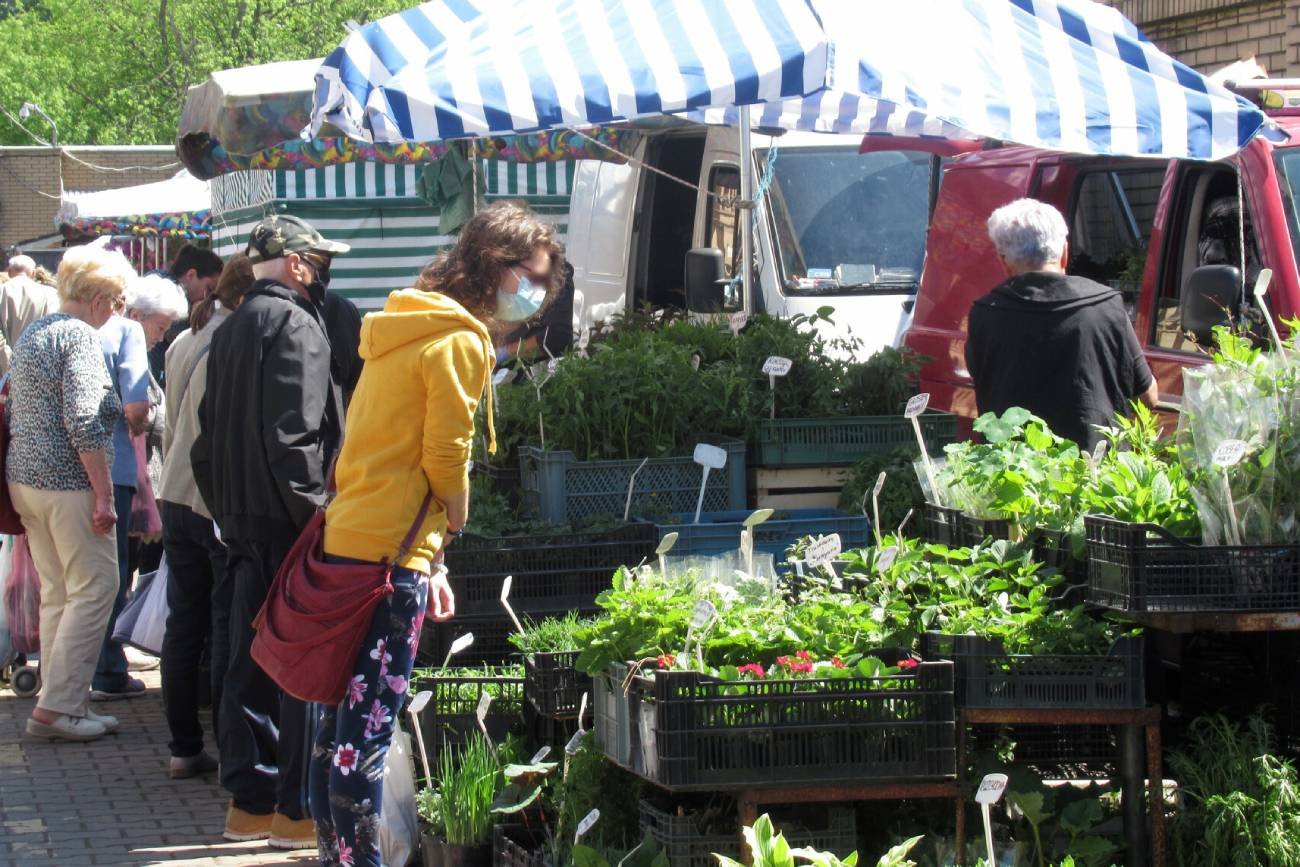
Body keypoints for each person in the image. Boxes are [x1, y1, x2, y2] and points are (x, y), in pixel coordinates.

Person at [311, 201, 563, 867]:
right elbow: (443, 458)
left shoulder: (404, 325)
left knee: (335, 730)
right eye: (530, 275)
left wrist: (436, 559)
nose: (534, 292)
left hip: (356, 537)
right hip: (388, 561)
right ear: (494, 267)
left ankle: (333, 853)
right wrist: (457, 516)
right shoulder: (460, 341)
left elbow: (378, 447)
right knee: (365, 733)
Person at [192, 215, 347, 848]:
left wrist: (228, 512)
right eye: (319, 259)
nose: (324, 271)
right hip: (285, 521)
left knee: (250, 663)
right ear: (299, 265)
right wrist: (318, 521)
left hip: (241, 519)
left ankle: (250, 804)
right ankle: (296, 809)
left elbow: (204, 441)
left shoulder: (229, 327)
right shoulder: (295, 323)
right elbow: (294, 439)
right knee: (297, 667)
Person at [7, 244, 132, 741]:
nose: (118, 312)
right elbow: (85, 421)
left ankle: (61, 702)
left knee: (60, 592)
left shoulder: (36, 331)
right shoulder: (80, 338)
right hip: (67, 484)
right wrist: (104, 495)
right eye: (119, 301)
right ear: (99, 298)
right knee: (96, 587)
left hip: (26, 481)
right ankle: (60, 706)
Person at [159, 255, 254, 781]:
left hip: (174, 494)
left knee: (184, 623)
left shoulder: (181, 341)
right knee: (221, 626)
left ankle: (182, 747)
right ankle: (228, 752)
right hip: (210, 498)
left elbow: (172, 425)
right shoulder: (233, 342)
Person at [966, 198, 1158, 449]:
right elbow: (1149, 396)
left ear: (1004, 262)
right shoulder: (1106, 305)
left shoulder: (985, 314)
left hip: (1015, 474)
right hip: (1096, 474)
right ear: (1065, 252)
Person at [90, 275, 157, 702]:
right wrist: (139, 421)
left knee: (71, 582)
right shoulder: (126, 332)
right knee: (109, 575)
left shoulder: (51, 325)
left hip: (53, 475)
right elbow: (136, 407)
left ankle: (71, 676)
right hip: (110, 468)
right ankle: (107, 670)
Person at [147, 244, 224, 382]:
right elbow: (183, 338)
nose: (209, 298)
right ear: (191, 275)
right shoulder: (164, 286)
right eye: (209, 289)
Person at [0, 272, 59, 376]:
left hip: (7, 372)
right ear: (32, 273)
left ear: (9, 271)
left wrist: (8, 365)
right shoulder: (51, 294)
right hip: (38, 371)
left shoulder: (4, 291)